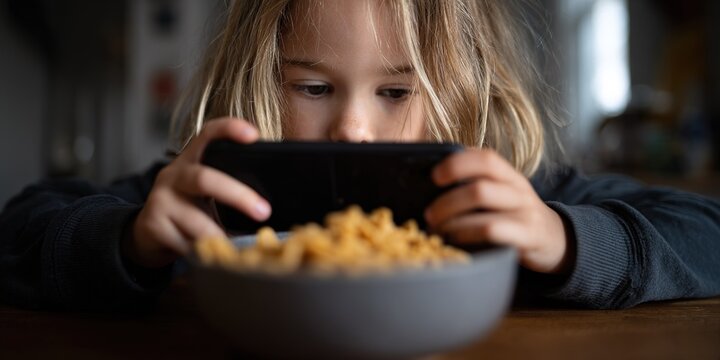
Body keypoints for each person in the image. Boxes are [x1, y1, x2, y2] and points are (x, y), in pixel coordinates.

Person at [1, 0, 718, 311]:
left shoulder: (510, 201)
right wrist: (125, 243)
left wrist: (565, 239)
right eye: (314, 86)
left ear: (457, 94)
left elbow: (705, 231)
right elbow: (21, 227)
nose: (351, 127)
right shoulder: (214, 200)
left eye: (397, 92)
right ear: (262, 79)